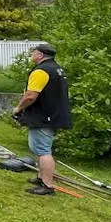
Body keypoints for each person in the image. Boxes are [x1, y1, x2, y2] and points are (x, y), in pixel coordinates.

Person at [12, 42, 72, 195]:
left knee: (43, 150)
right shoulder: (57, 69)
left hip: (44, 116)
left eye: (34, 52)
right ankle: (41, 177)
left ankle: (47, 185)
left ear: (40, 55)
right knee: (39, 147)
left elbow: (31, 95)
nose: (32, 54)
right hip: (53, 114)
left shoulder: (41, 71)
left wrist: (19, 108)